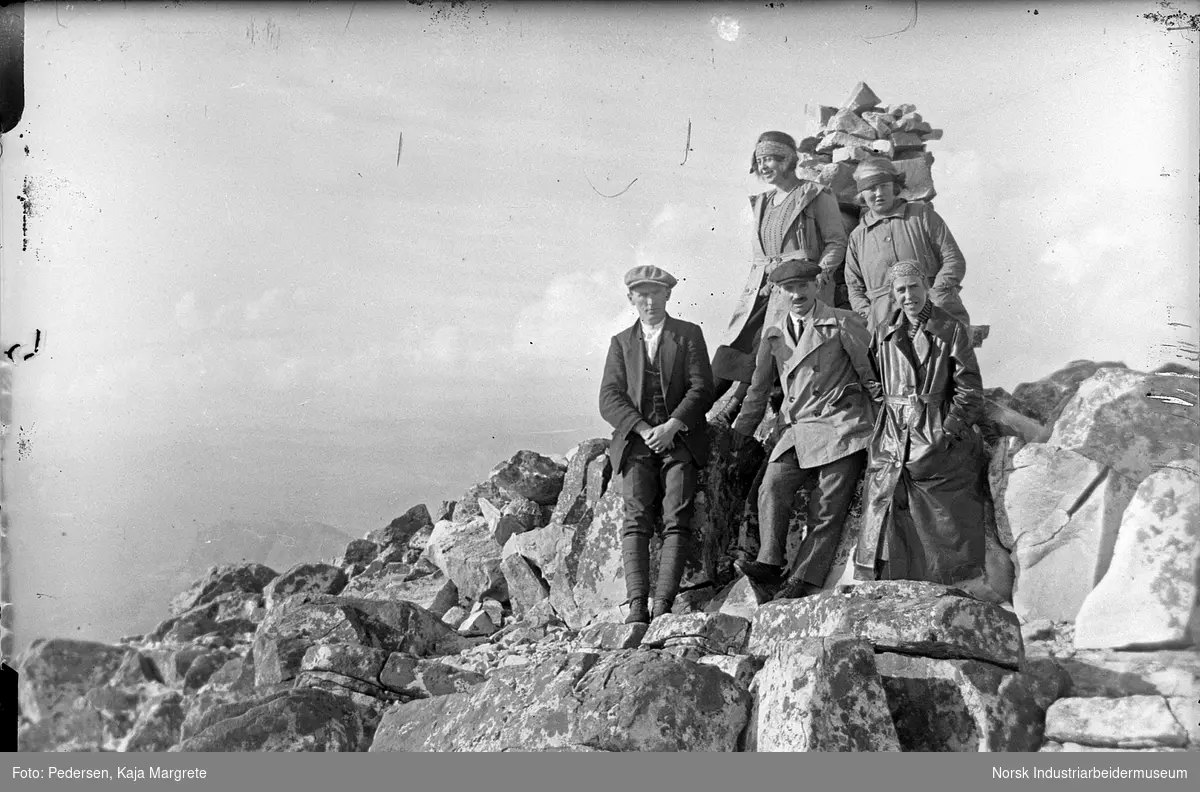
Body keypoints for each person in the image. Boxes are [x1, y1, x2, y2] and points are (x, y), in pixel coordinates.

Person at [730, 260, 879, 600]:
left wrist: (885, 412)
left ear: (817, 286)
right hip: (798, 428)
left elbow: (868, 370)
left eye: (803, 286)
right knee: (772, 485)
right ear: (780, 293)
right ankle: (769, 561)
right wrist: (742, 429)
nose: (797, 294)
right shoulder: (774, 334)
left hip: (843, 422)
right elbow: (758, 388)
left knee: (827, 504)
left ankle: (805, 577)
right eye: (789, 288)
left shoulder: (841, 321)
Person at [855, 260, 988, 585]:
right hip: (894, 436)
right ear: (894, 294)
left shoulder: (950, 328)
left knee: (944, 512)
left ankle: (951, 586)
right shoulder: (884, 331)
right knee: (882, 499)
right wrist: (890, 413)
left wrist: (948, 430)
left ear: (926, 286)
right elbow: (874, 380)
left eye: (914, 287)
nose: (908, 295)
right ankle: (884, 584)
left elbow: (970, 390)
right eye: (900, 290)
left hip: (937, 433)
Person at [599, 265, 716, 623]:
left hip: (679, 439)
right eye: (642, 295)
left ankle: (663, 604)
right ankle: (637, 605)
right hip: (636, 442)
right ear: (631, 298)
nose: (649, 302)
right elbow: (609, 396)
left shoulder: (688, 335)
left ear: (668, 296)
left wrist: (673, 425)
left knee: (676, 517)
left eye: (656, 294)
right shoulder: (621, 342)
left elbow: (702, 389)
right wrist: (642, 427)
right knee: (636, 518)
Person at [711, 131, 848, 427]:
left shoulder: (815, 195)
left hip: (798, 287)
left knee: (768, 350)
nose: (763, 166)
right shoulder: (762, 202)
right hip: (762, 287)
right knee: (733, 349)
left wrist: (819, 275)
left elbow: (837, 242)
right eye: (759, 161)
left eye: (770, 158)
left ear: (788, 160)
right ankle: (694, 413)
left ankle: (732, 413)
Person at [844, 158, 971, 333]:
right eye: (872, 188)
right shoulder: (857, 237)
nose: (879, 193)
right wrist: (869, 315)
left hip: (935, 318)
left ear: (894, 187)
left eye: (884, 186)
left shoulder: (922, 216)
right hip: (886, 329)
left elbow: (953, 259)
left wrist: (937, 296)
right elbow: (854, 287)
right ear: (862, 194)